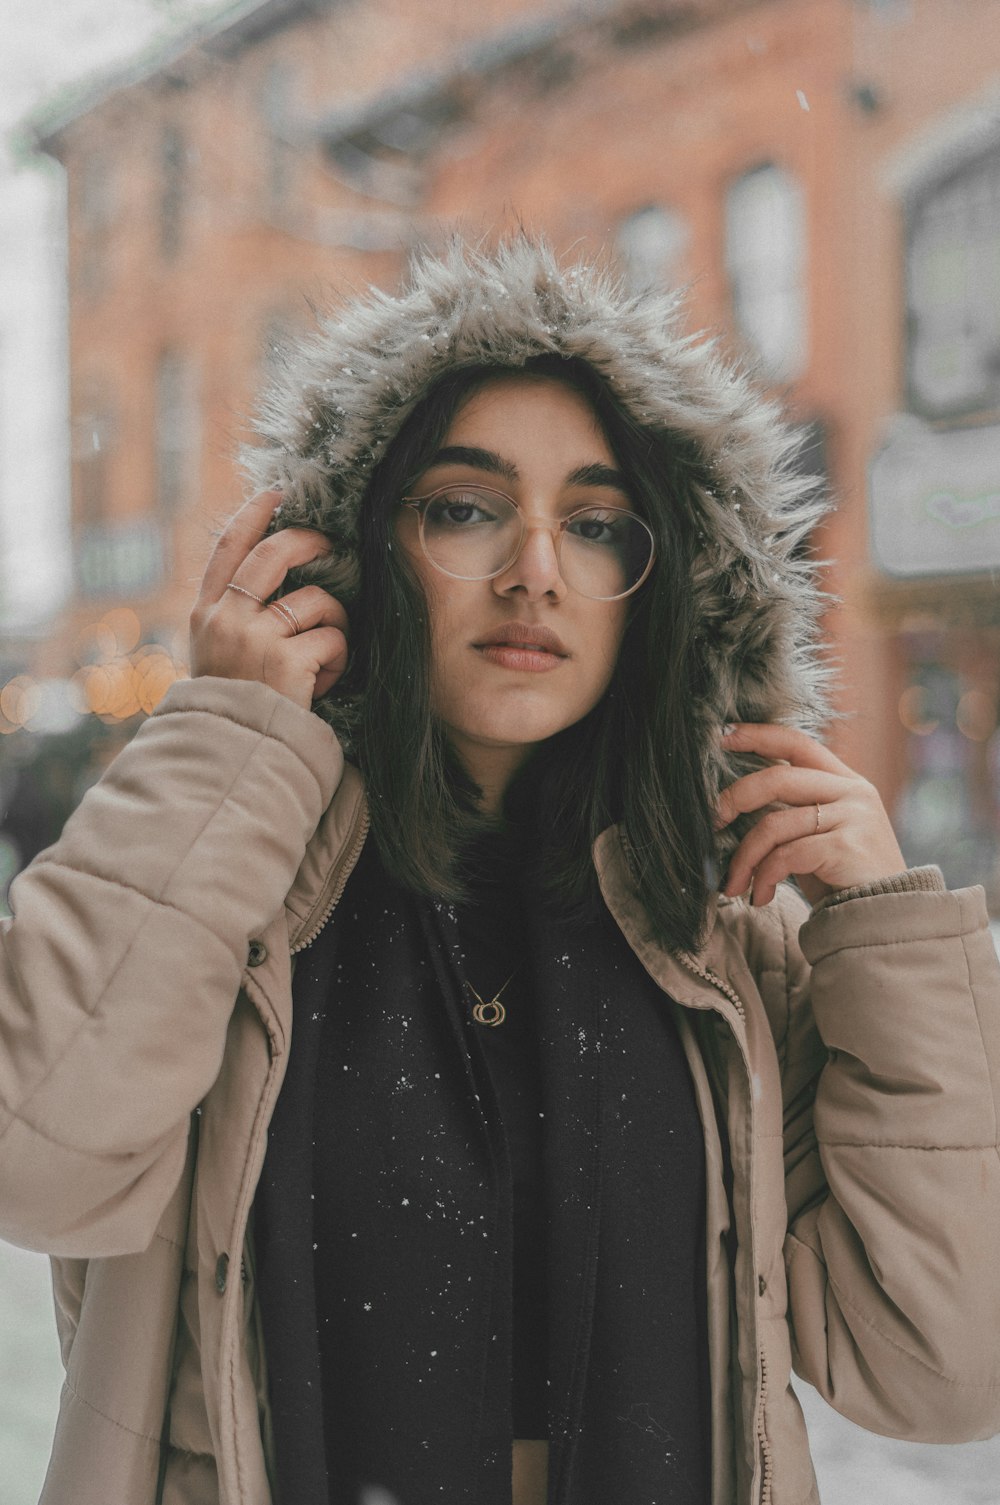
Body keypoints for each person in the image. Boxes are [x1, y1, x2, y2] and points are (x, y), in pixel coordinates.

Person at [2, 237, 999, 1505]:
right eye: (464, 505)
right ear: (348, 554)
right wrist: (222, 738)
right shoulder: (229, 897)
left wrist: (882, 932)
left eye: (593, 524)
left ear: (659, 593)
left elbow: (944, 1367)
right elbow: (38, 1157)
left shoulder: (717, 956)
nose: (534, 567)